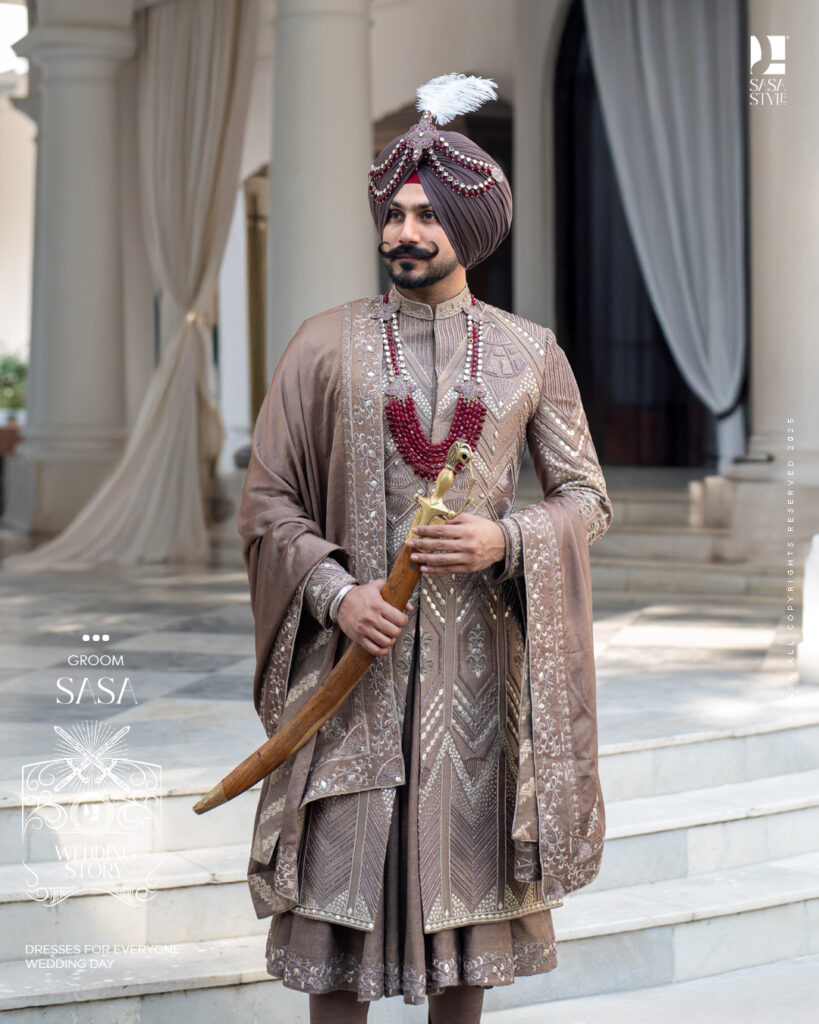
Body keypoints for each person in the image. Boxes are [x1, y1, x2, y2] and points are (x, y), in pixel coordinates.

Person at [237, 75, 613, 1024]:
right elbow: (267, 499)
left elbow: (587, 499)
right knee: (336, 934)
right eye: (394, 213)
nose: (404, 232)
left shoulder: (531, 353)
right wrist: (330, 592)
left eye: (427, 216)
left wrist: (507, 536)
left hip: (476, 694)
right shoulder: (323, 346)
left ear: (470, 228)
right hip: (349, 680)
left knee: (468, 940)